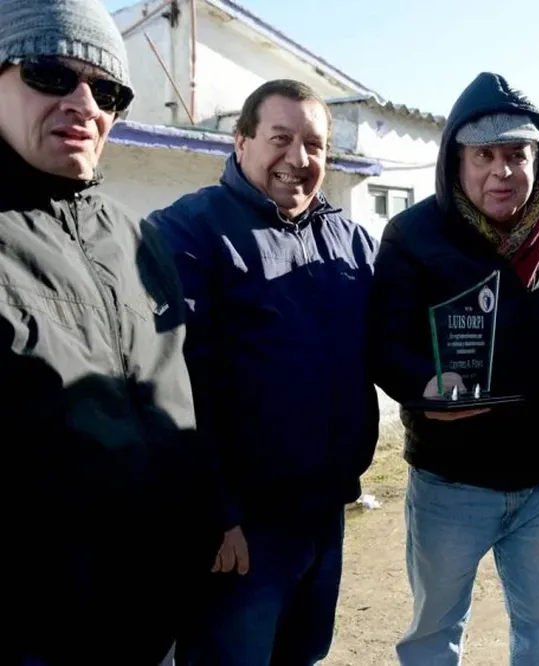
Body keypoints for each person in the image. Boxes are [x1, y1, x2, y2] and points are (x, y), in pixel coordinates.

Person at [0, 0, 221, 663]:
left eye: (107, 89)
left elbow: (177, 390)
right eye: (49, 73)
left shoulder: (135, 237)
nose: (83, 102)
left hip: (152, 614)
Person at [369, 72, 539, 666]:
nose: (503, 171)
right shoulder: (412, 235)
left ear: (538, 157)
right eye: (485, 155)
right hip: (451, 481)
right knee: (434, 632)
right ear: (457, 161)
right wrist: (424, 384)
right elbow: (383, 341)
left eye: (517, 154)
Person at [148, 79, 380, 666]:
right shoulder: (189, 233)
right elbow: (172, 386)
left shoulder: (349, 242)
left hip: (325, 513)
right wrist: (216, 514)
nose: (298, 159)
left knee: (303, 654)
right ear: (242, 140)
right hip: (243, 532)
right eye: (280, 138)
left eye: (315, 144)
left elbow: (401, 337)